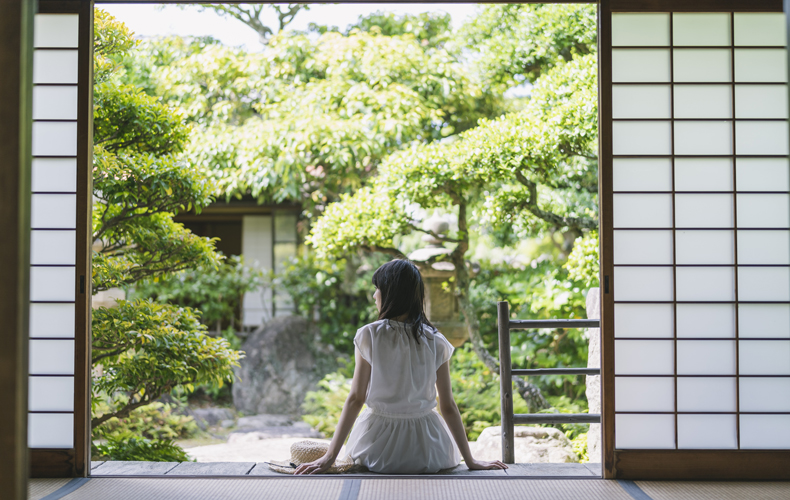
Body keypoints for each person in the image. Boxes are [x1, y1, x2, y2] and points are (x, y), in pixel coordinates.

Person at [295, 259, 508, 475]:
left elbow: (356, 398)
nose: (374, 295)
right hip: (430, 450)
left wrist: (329, 457)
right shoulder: (436, 341)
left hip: (378, 449)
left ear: (389, 293)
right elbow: (448, 405)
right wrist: (470, 460)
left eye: (377, 289)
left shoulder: (370, 335)